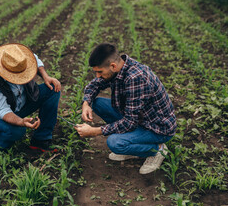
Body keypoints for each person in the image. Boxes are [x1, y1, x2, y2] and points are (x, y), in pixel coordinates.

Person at [75, 43, 177, 174]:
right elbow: (93, 86)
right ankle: (132, 145)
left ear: (112, 66)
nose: (98, 76)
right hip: (138, 118)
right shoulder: (118, 69)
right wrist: (86, 104)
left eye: (100, 72)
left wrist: (94, 131)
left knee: (115, 143)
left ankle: (157, 150)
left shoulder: (135, 78)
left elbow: (130, 122)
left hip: (156, 128)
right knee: (97, 102)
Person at [0, 43, 61, 152]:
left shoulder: (18, 57)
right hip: (0, 117)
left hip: (23, 103)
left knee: (52, 89)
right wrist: (21, 122)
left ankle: (41, 140)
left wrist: (45, 76)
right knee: (17, 131)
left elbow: (35, 59)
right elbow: (3, 110)